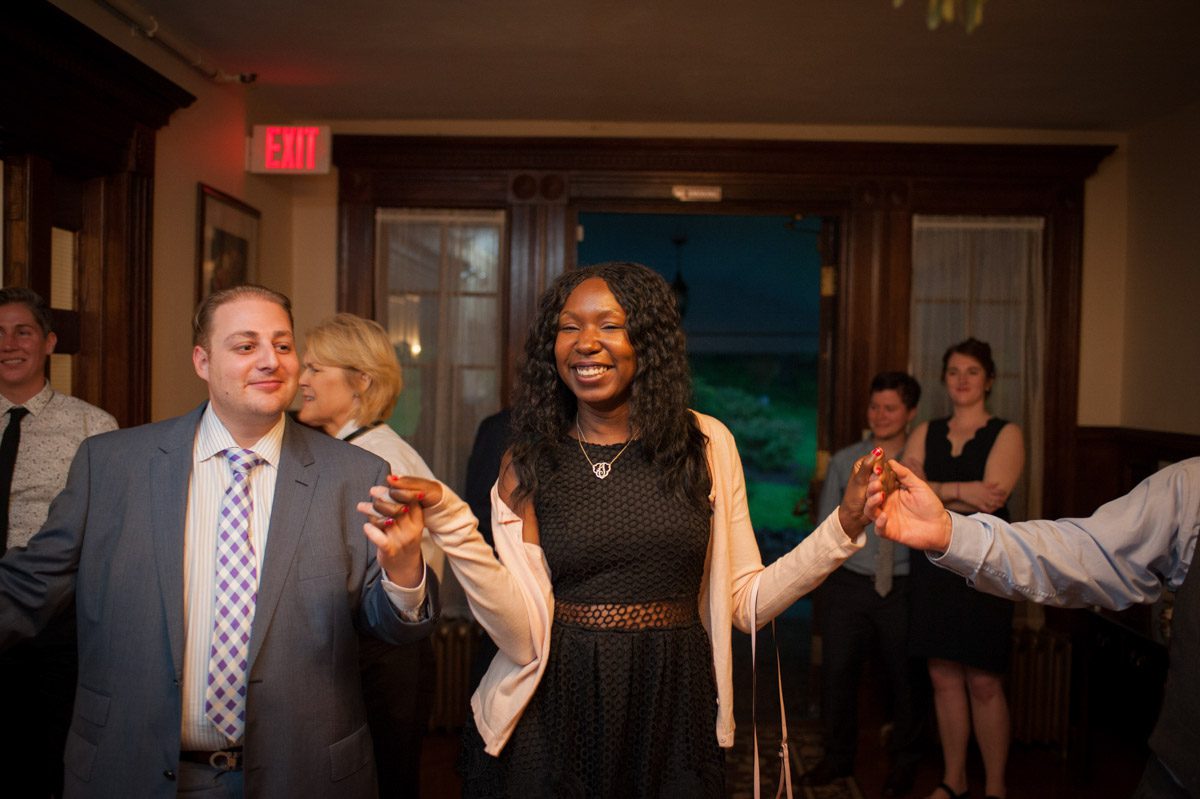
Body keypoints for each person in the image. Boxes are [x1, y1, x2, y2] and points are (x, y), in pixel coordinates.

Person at [361, 261, 876, 798]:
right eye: (569, 327)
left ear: (647, 341)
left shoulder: (705, 446)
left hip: (673, 704)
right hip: (554, 705)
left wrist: (843, 526)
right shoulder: (528, 461)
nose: (586, 342)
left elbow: (746, 603)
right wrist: (451, 523)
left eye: (610, 325)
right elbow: (519, 636)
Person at [0, 285, 437, 798]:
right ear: (202, 361)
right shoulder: (113, 466)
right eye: (246, 346)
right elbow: (25, 590)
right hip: (135, 770)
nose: (271, 360)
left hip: (302, 775)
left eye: (282, 345)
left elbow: (390, 632)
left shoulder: (355, 474)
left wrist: (404, 573)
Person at [866, 457, 1200, 799]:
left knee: (984, 683)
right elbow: (1083, 553)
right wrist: (950, 532)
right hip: (1177, 777)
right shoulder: (1191, 486)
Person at [297, 312, 440, 799]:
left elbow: (410, 573)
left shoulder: (379, 460)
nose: (301, 380)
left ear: (360, 380)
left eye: (315, 369)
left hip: (385, 658)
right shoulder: (350, 449)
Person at [0, 287, 117, 798]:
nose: (9, 344)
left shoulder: (94, 428)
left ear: (48, 342)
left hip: (55, 628)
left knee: (45, 767)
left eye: (22, 331)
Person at [902, 337, 1025, 799]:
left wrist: (935, 490)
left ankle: (995, 786)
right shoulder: (926, 430)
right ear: (944, 379)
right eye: (954, 371)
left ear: (988, 380)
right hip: (933, 564)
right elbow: (906, 490)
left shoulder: (1007, 433)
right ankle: (954, 779)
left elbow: (993, 497)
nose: (962, 380)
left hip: (985, 564)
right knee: (942, 675)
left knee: (985, 680)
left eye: (972, 371)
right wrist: (962, 490)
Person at [808, 371, 923, 795]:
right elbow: (827, 528)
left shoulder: (919, 462)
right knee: (838, 673)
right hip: (851, 583)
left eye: (890, 408)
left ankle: (904, 765)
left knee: (905, 680)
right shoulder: (846, 461)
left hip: (904, 583)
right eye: (875, 406)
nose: (880, 415)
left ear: (910, 412)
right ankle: (837, 758)